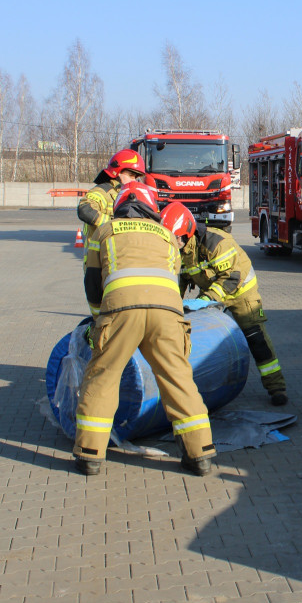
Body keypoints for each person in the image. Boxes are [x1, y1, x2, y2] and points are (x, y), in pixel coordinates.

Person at [73, 174, 215, 477]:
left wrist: (99, 320)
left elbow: (92, 283)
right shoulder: (166, 235)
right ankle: (200, 453)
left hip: (120, 312)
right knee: (178, 379)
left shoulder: (104, 231)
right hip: (167, 314)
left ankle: (90, 455)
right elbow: (171, 279)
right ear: (152, 208)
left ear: (121, 206)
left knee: (103, 377)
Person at [160, 202, 289, 407]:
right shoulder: (180, 250)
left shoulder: (216, 242)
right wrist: (173, 304)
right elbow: (182, 280)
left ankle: (276, 387)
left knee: (256, 339)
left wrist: (207, 299)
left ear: (185, 233)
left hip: (241, 292)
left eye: (173, 238)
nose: (170, 243)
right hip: (211, 291)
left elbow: (232, 277)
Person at [77, 148, 145, 242]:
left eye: (136, 177)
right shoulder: (102, 192)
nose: (134, 180)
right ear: (118, 172)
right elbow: (85, 210)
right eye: (131, 175)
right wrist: (114, 224)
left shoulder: (131, 195)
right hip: (100, 253)